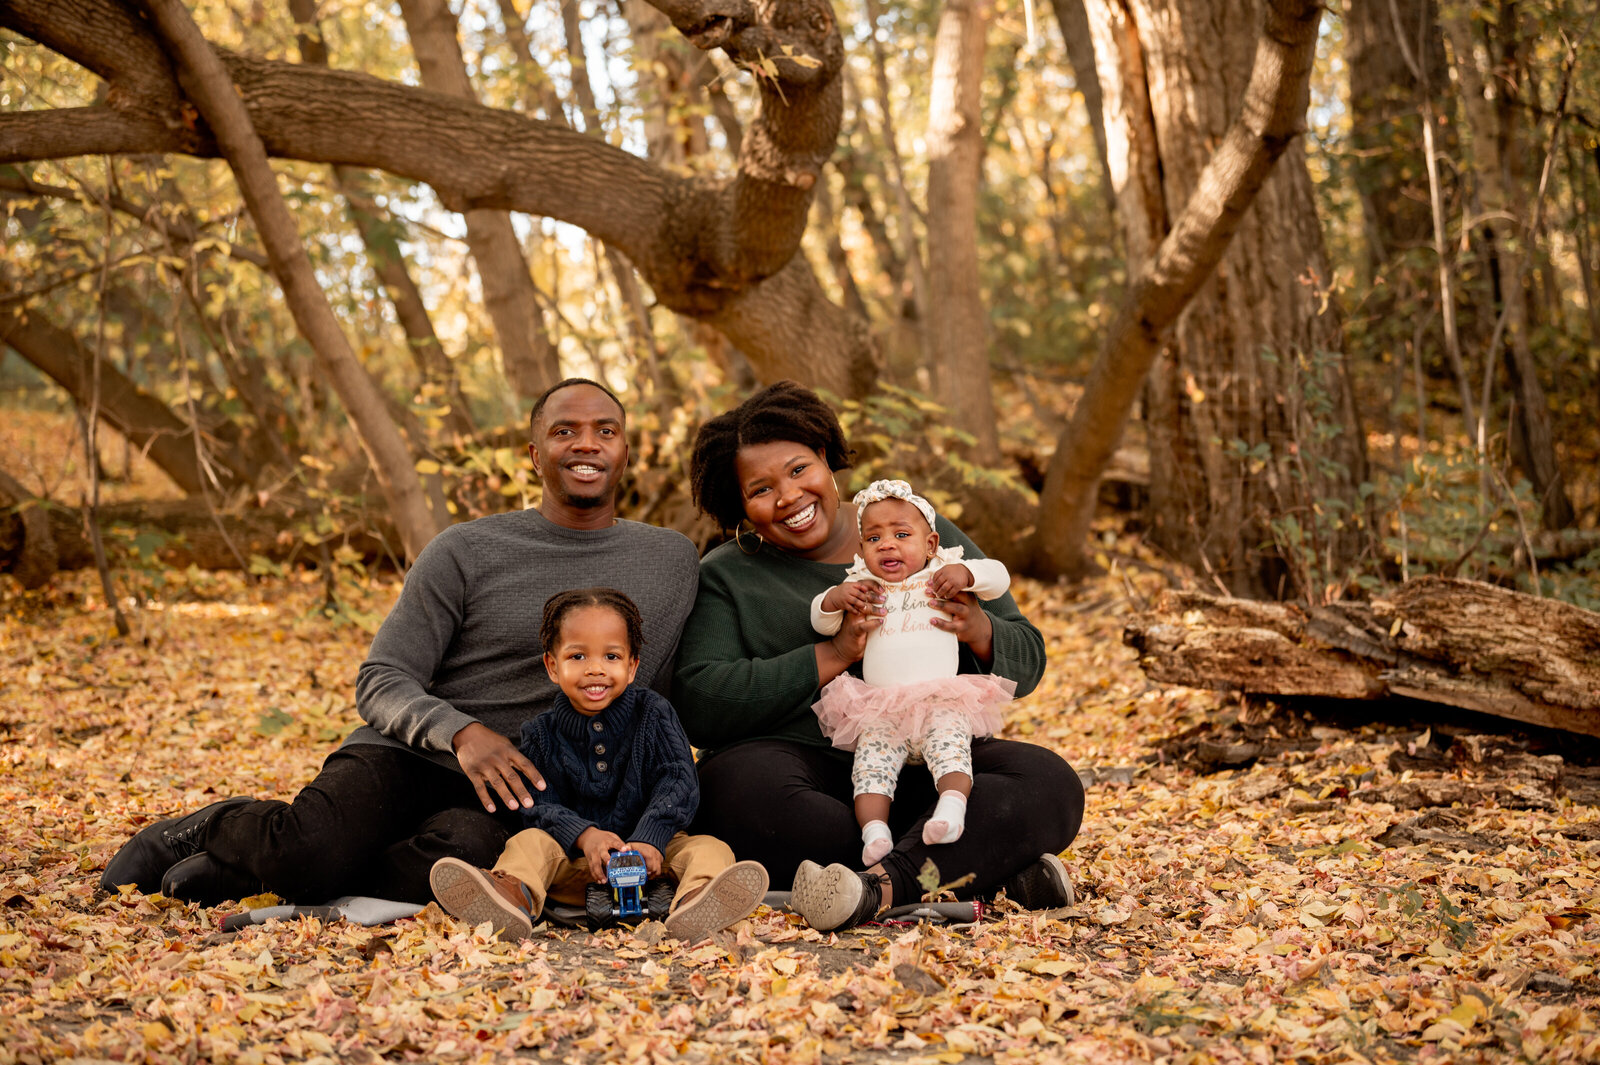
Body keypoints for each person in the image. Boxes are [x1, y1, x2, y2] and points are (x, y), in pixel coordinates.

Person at [99, 379, 701, 906]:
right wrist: (462, 735)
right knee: (313, 848)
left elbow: (666, 691)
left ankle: (271, 873)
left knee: (454, 873)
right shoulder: (465, 550)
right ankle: (210, 829)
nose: (587, 444)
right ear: (534, 454)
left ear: (625, 452)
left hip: (520, 792)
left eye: (606, 430)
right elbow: (382, 677)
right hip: (408, 754)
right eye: (565, 430)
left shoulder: (671, 561)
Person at [674, 381, 1085, 933]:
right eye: (761, 489)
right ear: (740, 507)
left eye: (799, 470)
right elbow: (702, 700)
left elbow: (1028, 660)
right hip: (803, 775)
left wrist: (979, 628)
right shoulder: (726, 575)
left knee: (1049, 782)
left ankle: (875, 887)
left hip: (932, 762)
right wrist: (836, 651)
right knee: (734, 792)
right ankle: (979, 867)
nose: (790, 496)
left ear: (825, 456)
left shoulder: (915, 530)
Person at [430, 588, 768, 943]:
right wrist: (583, 835)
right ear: (552, 666)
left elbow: (679, 779)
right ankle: (513, 896)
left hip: (656, 861)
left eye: (611, 656)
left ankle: (695, 900)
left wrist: (650, 837)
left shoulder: (653, 714)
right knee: (530, 843)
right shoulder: (541, 734)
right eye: (577, 656)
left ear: (632, 665)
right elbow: (538, 806)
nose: (595, 669)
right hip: (577, 869)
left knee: (711, 849)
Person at [810, 479, 1015, 866]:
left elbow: (999, 577)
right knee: (870, 769)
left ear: (931, 545)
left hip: (940, 698)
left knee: (952, 753)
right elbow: (821, 622)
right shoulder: (862, 585)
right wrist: (833, 600)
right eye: (873, 539)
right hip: (881, 707)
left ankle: (951, 811)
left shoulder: (940, 573)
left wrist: (966, 575)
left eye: (901, 534)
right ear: (862, 550)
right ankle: (875, 833)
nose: (886, 544)